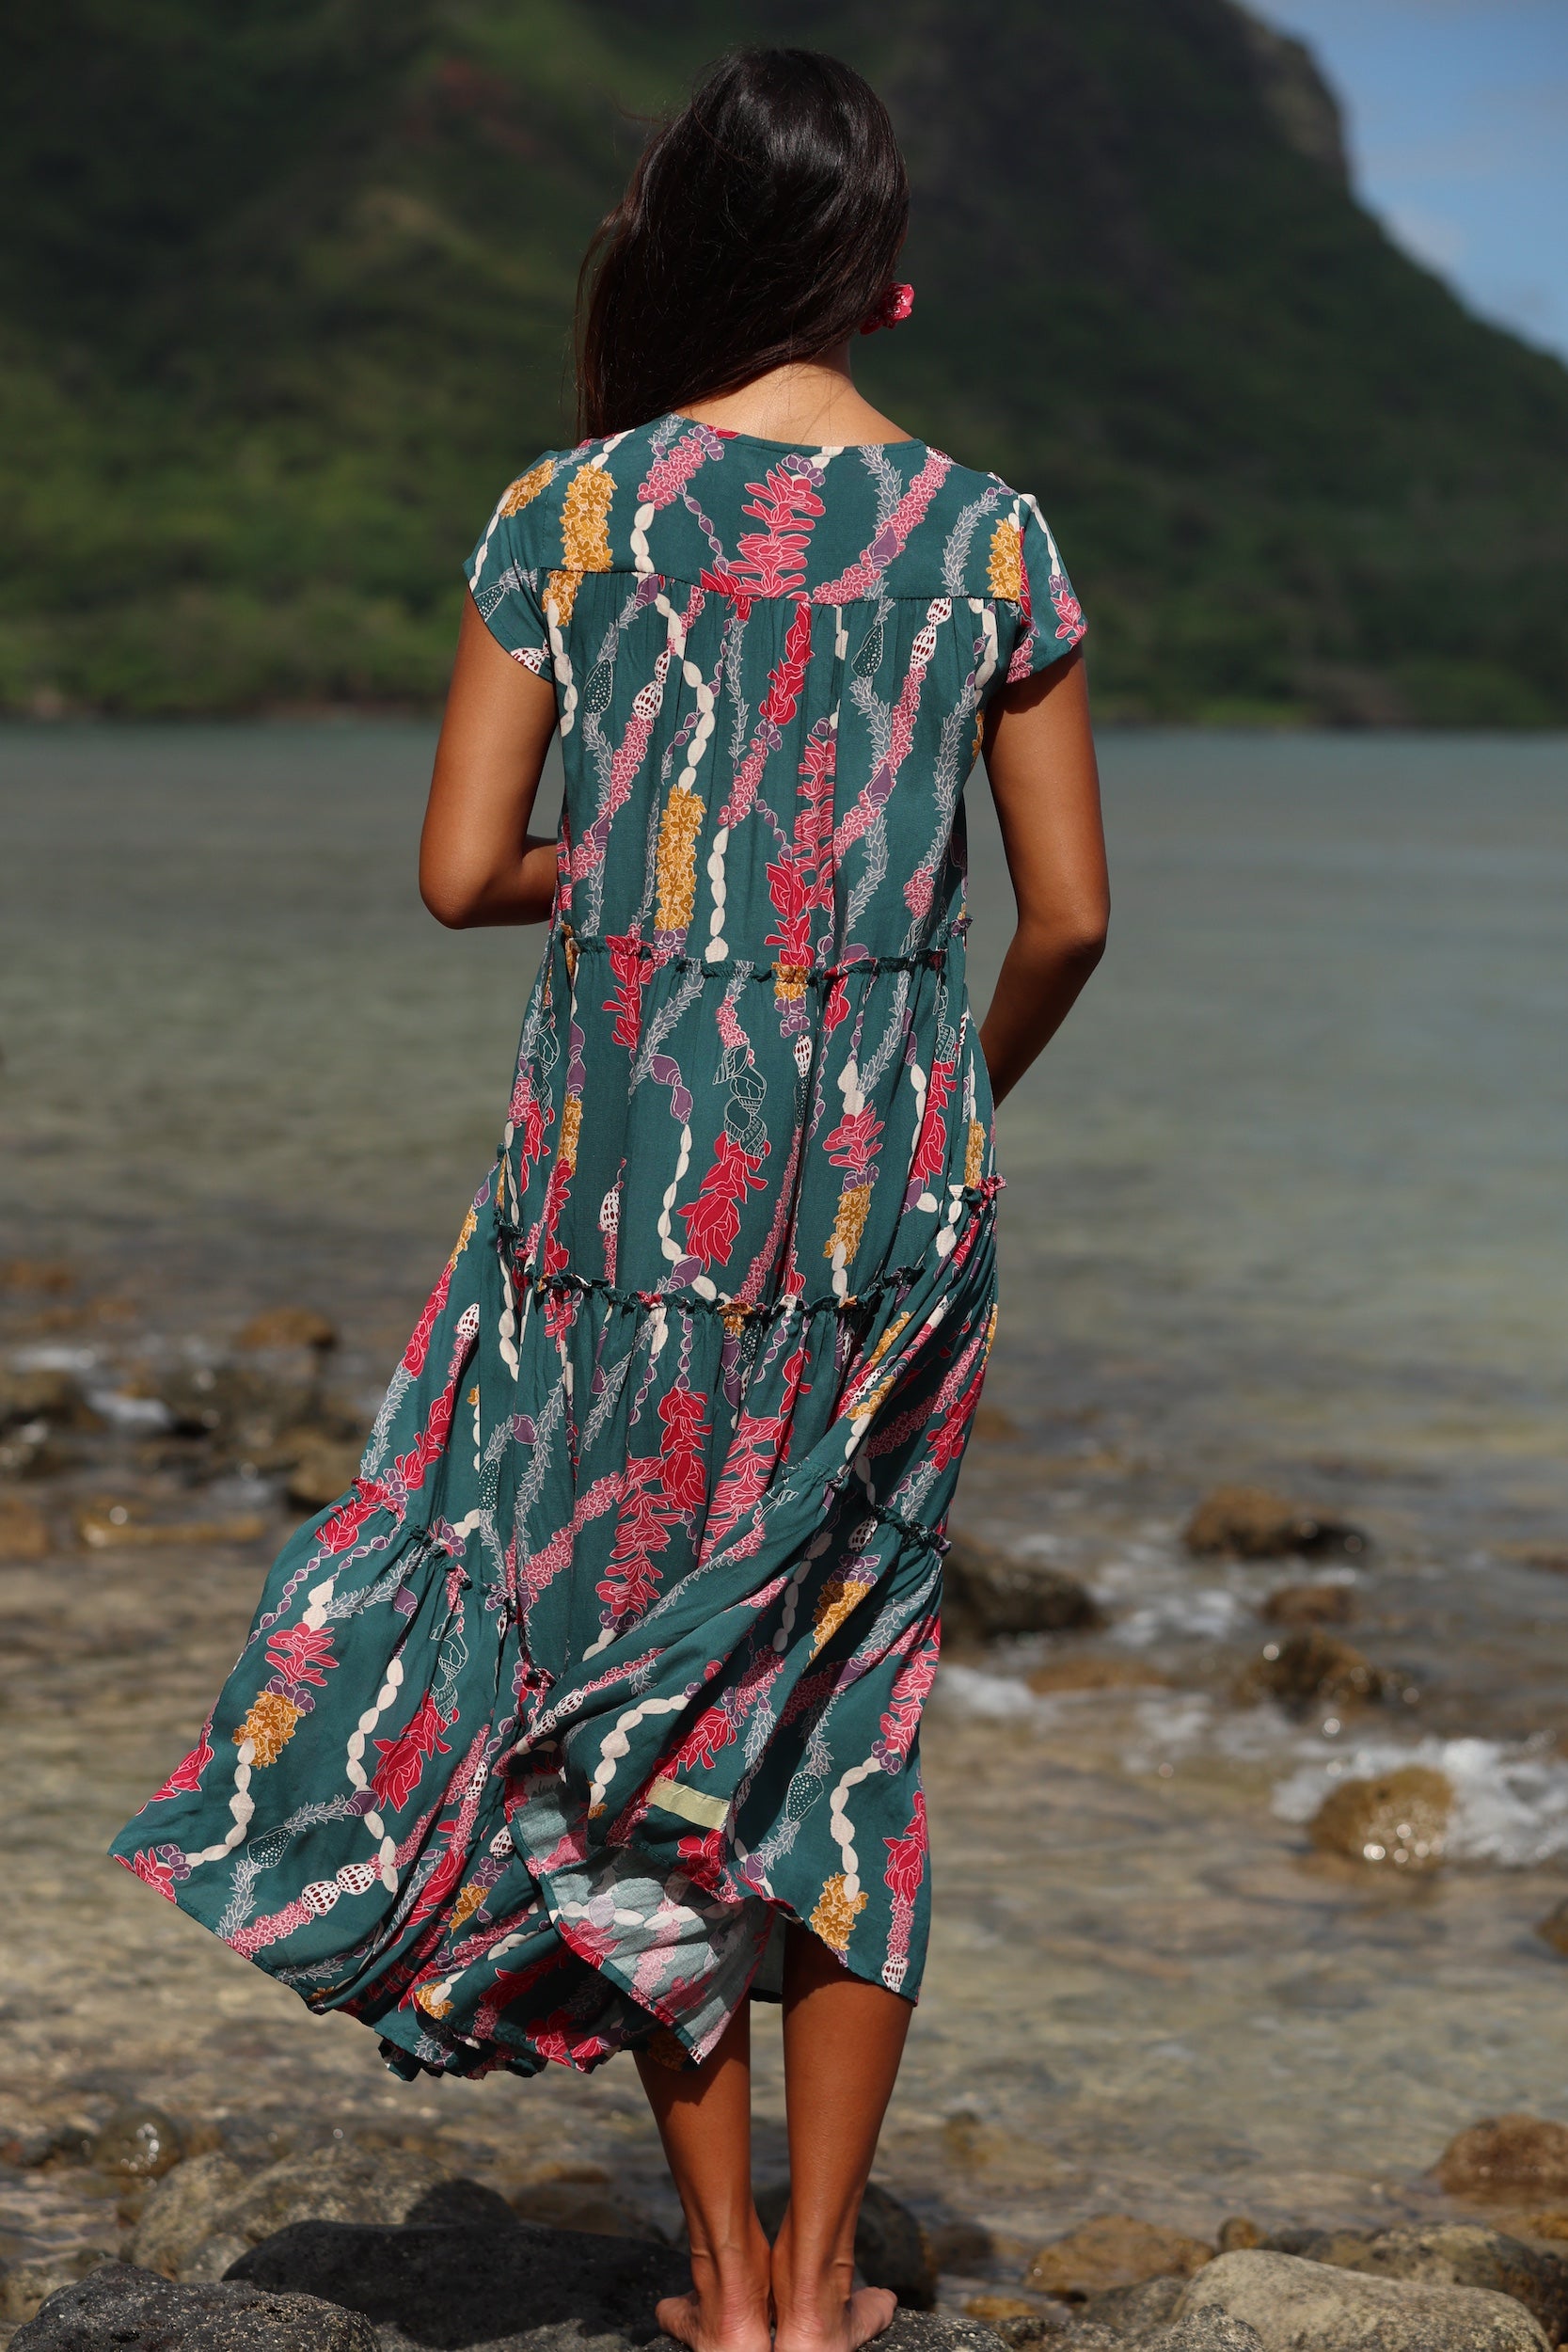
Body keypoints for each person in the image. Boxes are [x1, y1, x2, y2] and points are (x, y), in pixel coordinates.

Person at [112, 45, 1107, 2352]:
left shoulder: (566, 514)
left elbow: (463, 871)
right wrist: (933, 1101)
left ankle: (728, 2278)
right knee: (849, 1699)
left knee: (639, 1693)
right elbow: (1064, 916)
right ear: (880, 277)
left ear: (687, 247)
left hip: (621, 1193)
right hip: (884, 1195)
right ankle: (833, 2288)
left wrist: (653, 870)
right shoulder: (993, 537)